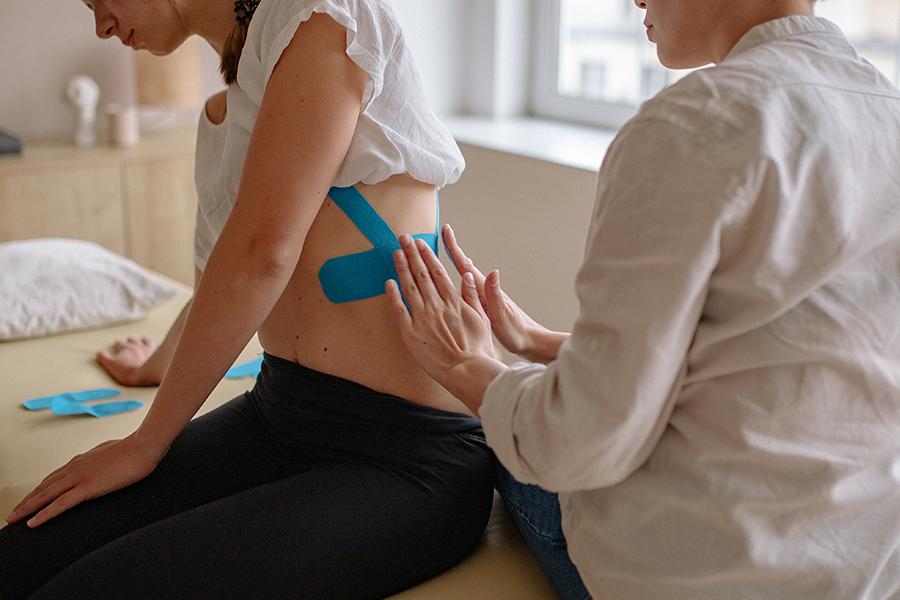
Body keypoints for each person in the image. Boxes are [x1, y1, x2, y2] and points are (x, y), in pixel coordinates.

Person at [386, 0, 900, 598]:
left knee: (497, 440)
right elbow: (784, 352)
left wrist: (468, 368)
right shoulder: (884, 111)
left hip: (707, 574)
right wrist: (540, 344)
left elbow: (581, 442)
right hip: (866, 567)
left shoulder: (689, 125)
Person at [0, 0, 496, 598]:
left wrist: (145, 443)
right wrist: (153, 365)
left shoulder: (322, 19)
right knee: (20, 556)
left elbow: (264, 252)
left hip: (406, 454)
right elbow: (224, 276)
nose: (101, 24)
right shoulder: (227, 112)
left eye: (99, 0)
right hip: (282, 414)